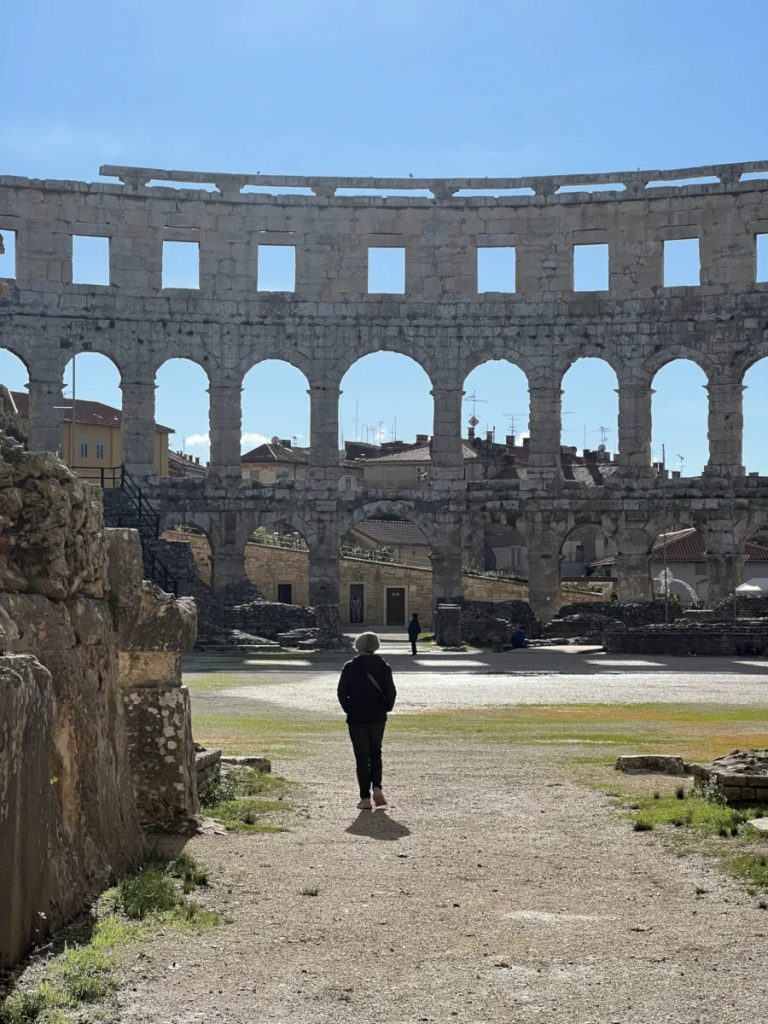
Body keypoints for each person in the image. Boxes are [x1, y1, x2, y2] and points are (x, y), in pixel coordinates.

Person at [337, 632, 397, 810]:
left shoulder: (350, 667)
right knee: (376, 753)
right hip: (377, 716)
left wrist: (349, 709)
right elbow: (391, 692)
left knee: (362, 757)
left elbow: (341, 693)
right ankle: (377, 787)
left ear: (359, 646)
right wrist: (386, 707)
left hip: (356, 717)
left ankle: (365, 798)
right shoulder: (384, 666)